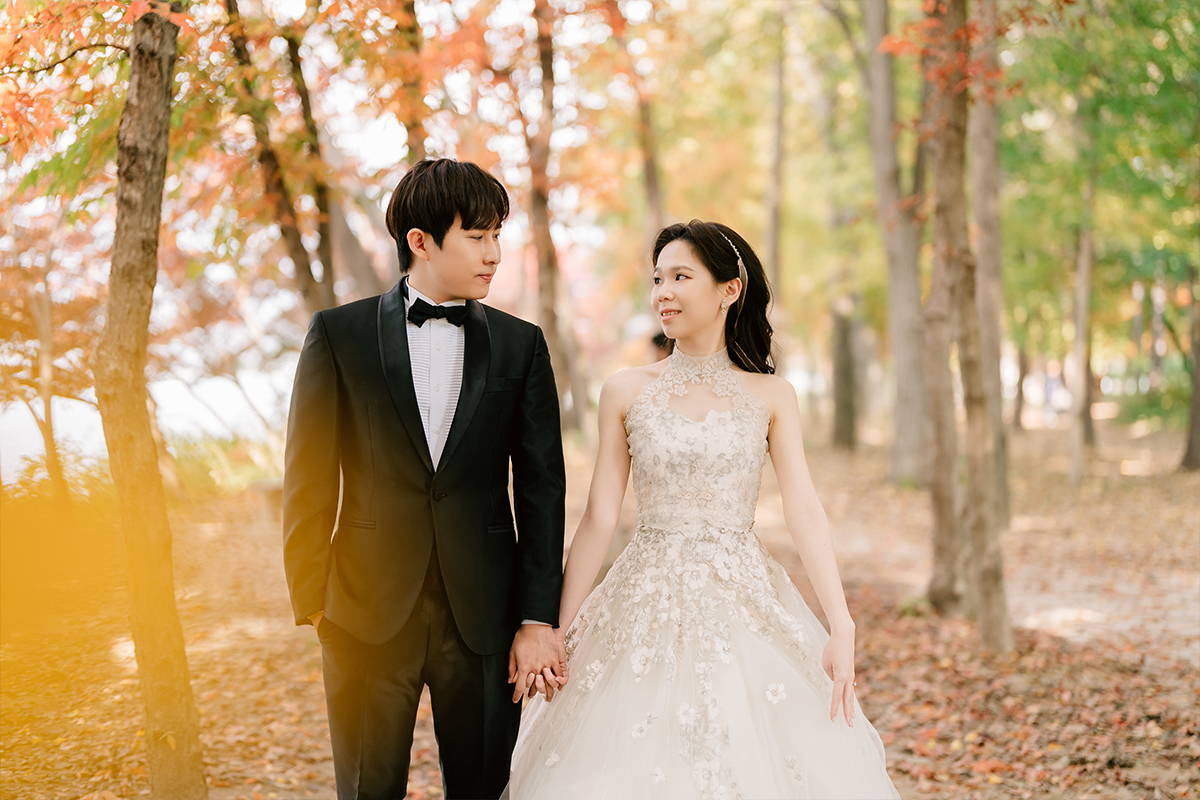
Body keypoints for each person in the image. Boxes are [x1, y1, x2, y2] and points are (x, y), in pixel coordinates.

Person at [505, 220, 900, 799]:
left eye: (680, 277)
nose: (662, 292)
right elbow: (598, 518)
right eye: (657, 278)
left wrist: (841, 624)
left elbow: (804, 509)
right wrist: (560, 629)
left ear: (728, 290)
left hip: (745, 599)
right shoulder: (625, 390)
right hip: (642, 595)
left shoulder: (771, 396)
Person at [283, 158, 568, 800]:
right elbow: (307, 474)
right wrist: (315, 601)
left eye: (498, 235)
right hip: (362, 610)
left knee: (486, 788)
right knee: (366, 787)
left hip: (486, 615)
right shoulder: (339, 334)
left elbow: (544, 489)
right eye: (478, 236)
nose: (494, 253)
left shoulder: (523, 346)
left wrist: (535, 616)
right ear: (421, 241)